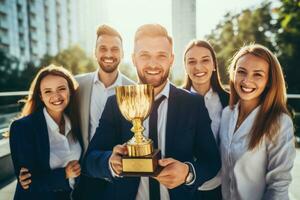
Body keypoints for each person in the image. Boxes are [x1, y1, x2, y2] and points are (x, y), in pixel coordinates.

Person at [84, 24, 221, 200]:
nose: (153, 64)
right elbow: (90, 160)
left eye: (161, 56)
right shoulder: (116, 102)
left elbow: (211, 161)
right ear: (133, 59)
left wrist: (188, 172)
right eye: (145, 55)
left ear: (171, 59)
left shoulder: (192, 104)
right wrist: (109, 161)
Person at [219, 44, 296, 200]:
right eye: (242, 72)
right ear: (233, 74)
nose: (247, 80)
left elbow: (278, 186)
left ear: (269, 80)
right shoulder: (226, 114)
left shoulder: (279, 122)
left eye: (258, 74)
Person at [9, 65, 83, 200]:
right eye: (48, 91)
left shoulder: (77, 122)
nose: (56, 96)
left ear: (70, 91)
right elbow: (28, 184)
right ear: (41, 96)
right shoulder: (23, 128)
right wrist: (64, 174)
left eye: (61, 89)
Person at [75, 24, 135, 153]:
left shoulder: (134, 90)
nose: (109, 54)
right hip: (84, 167)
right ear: (95, 52)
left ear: (122, 53)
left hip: (121, 168)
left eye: (115, 49)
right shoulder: (76, 85)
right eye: (103, 48)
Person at [183, 40, 228, 199]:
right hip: (185, 188)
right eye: (192, 61)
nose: (198, 67)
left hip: (223, 188)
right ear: (185, 67)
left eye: (205, 60)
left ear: (214, 65)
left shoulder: (230, 101)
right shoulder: (175, 101)